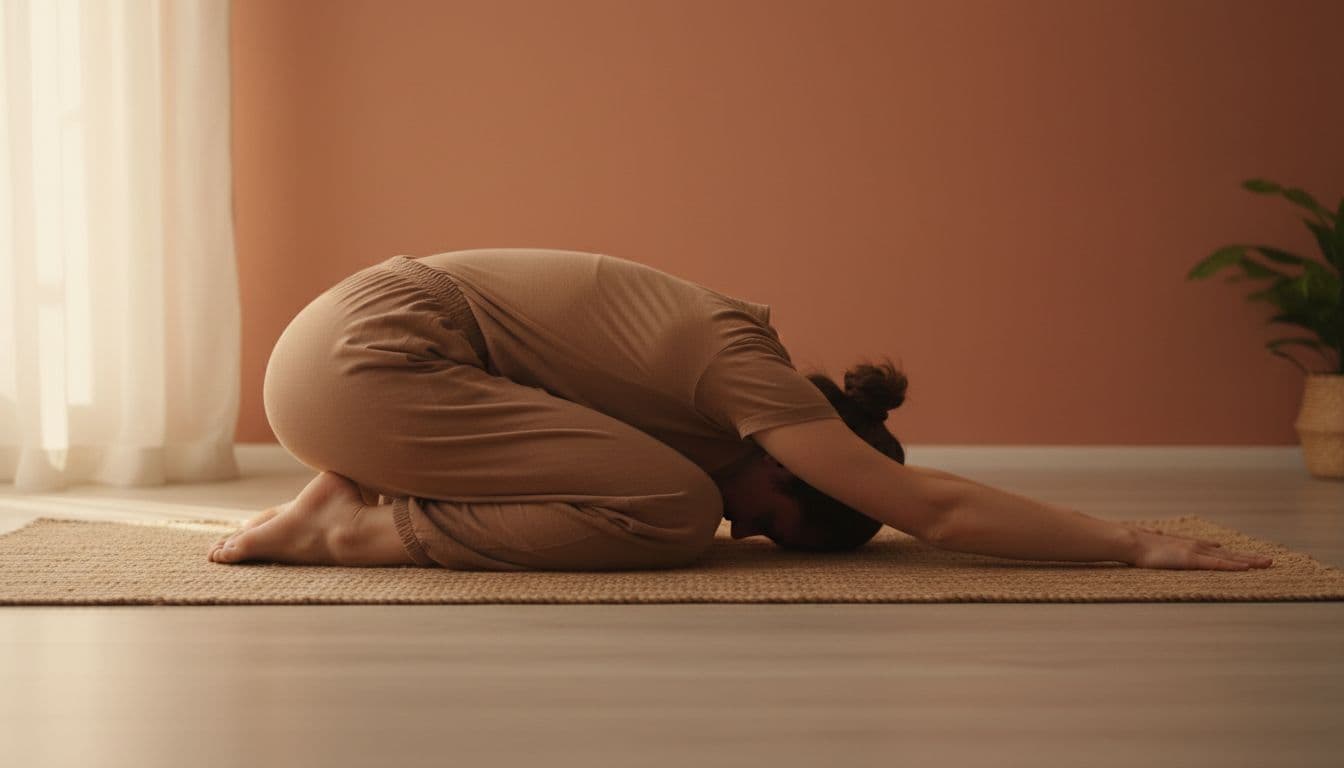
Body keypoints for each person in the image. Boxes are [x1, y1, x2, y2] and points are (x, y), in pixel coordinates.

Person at [209, 249, 1272, 573]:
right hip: (372, 361)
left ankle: (344, 494)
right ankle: (346, 529)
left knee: (661, 493)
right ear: (795, 458)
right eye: (770, 517)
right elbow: (933, 512)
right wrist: (1130, 543)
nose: (742, 528)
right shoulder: (747, 372)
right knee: (670, 509)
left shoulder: (708, 392)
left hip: (354, 361)